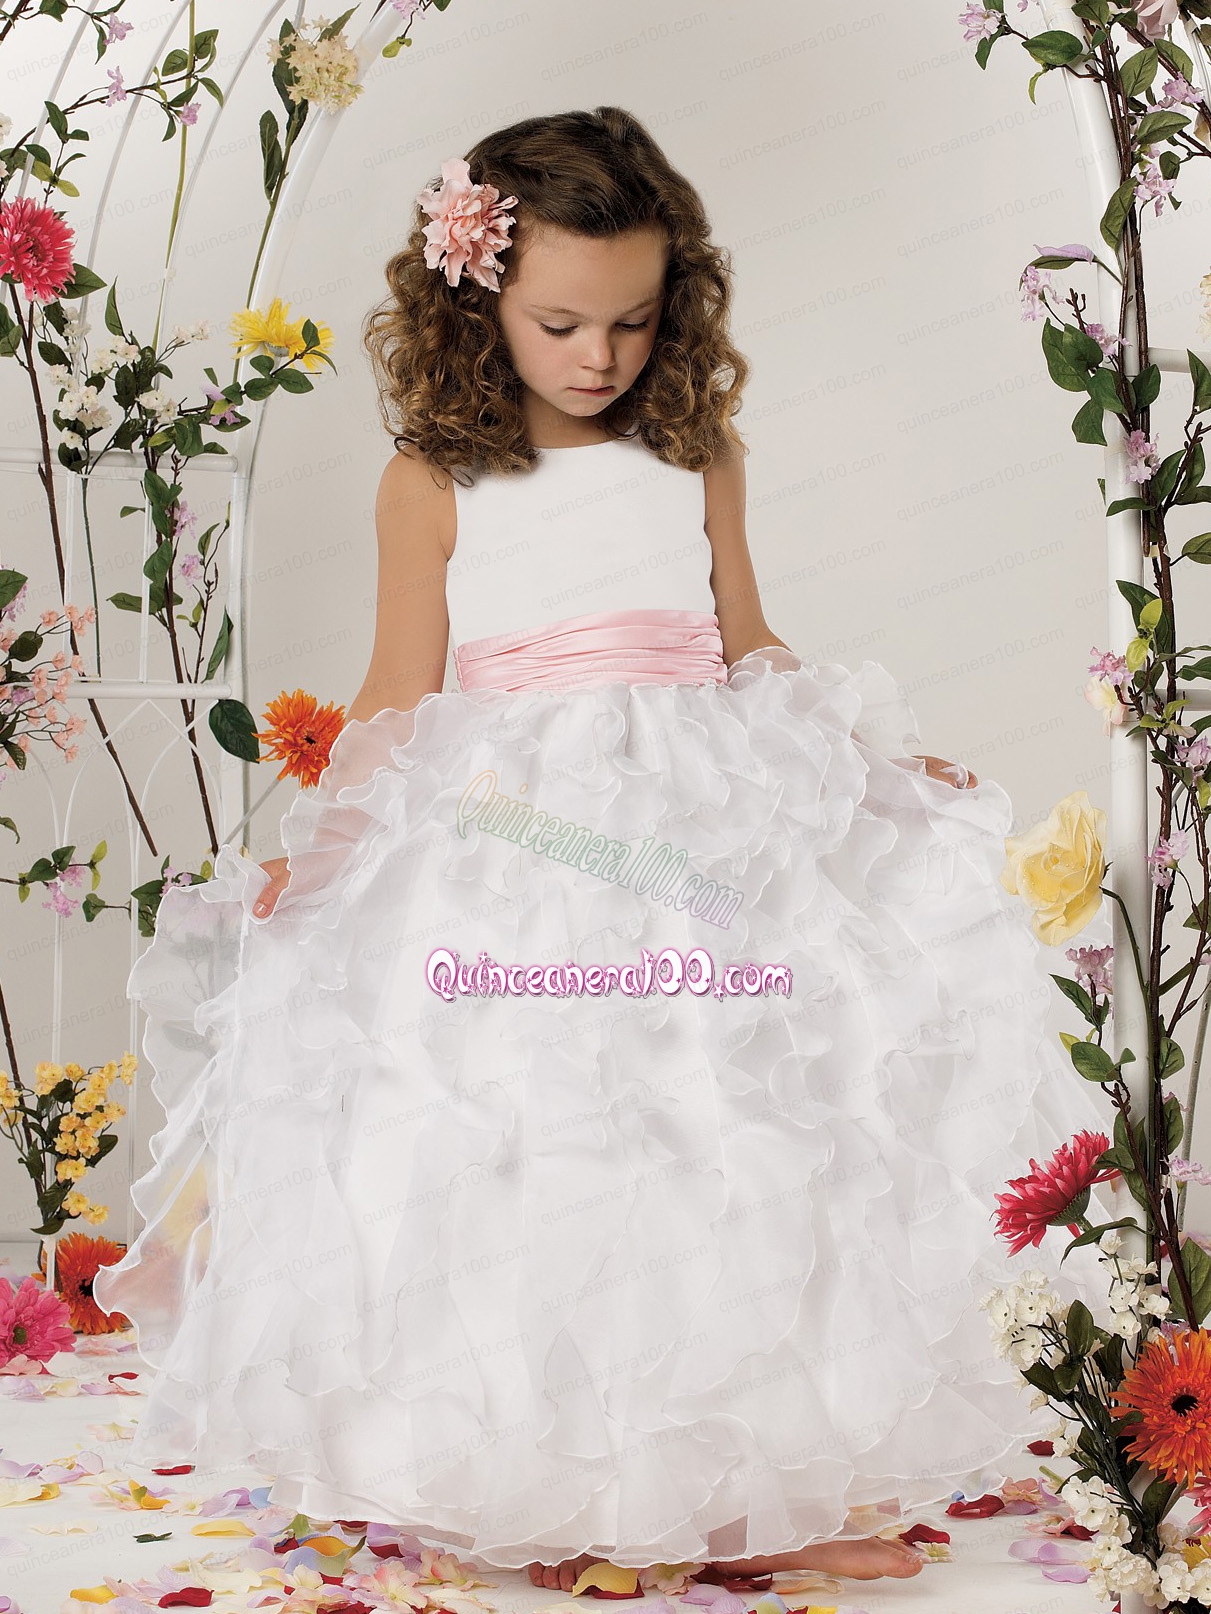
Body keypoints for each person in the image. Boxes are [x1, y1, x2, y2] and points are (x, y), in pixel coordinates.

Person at [96, 106, 1111, 1593]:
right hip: (512, 840)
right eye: (561, 324)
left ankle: (757, 1491)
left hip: (707, 828)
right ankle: (557, 1484)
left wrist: (875, 760)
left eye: (633, 322)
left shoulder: (696, 455)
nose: (600, 357)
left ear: (675, 302)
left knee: (740, 1138)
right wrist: (322, 849)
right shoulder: (431, 478)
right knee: (543, 1142)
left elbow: (748, 642)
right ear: (475, 299)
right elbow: (397, 692)